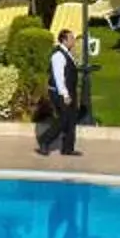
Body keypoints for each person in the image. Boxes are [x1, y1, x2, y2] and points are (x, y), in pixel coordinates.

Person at [37, 28, 83, 158]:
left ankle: (68, 148)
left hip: (70, 92)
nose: (74, 40)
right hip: (61, 93)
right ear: (64, 40)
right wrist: (65, 95)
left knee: (71, 119)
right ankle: (45, 141)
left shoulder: (68, 53)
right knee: (63, 119)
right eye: (71, 38)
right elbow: (59, 77)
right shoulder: (58, 55)